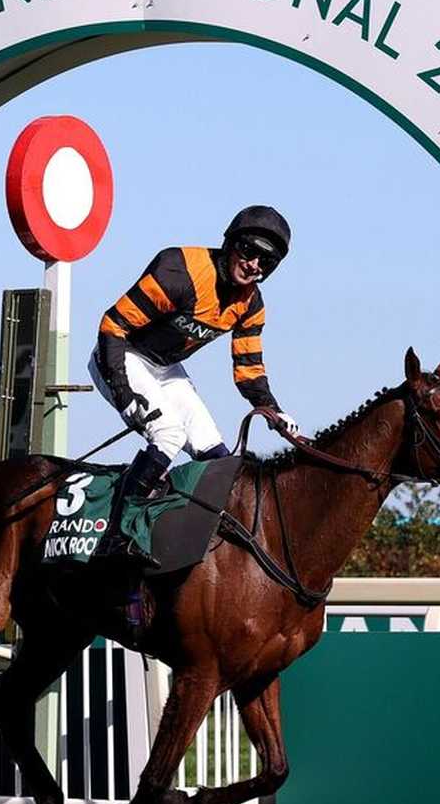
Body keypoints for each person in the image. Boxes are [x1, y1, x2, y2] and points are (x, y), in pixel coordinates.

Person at [88, 205, 300, 571]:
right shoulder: (179, 270)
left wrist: (273, 411)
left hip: (166, 368)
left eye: (266, 262)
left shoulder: (251, 304)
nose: (254, 265)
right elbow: (112, 326)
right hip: (122, 355)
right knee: (168, 435)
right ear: (231, 243)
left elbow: (248, 370)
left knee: (216, 457)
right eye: (249, 251)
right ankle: (116, 537)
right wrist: (124, 392)